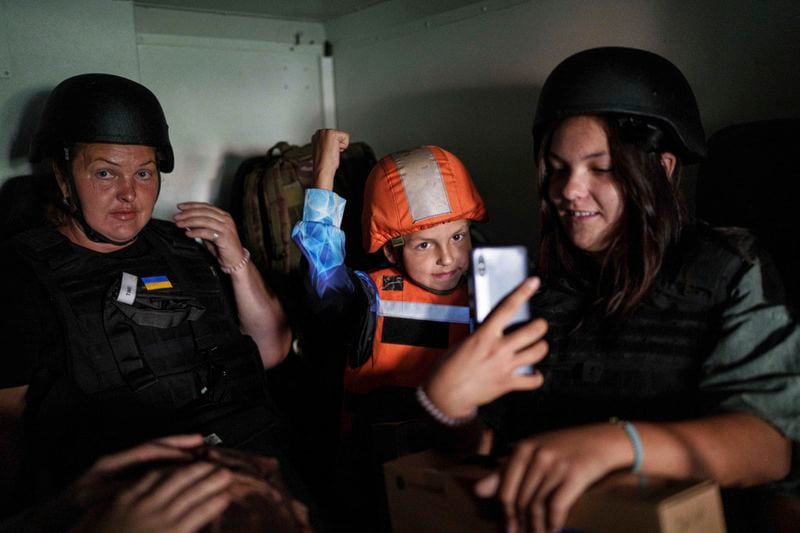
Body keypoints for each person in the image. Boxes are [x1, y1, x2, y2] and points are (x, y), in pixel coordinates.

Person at [419, 47, 800, 533]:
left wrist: (616, 446)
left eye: (600, 168)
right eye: (557, 168)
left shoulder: (726, 270)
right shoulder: (533, 293)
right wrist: (449, 411)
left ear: (661, 170)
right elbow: (490, 454)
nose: (569, 190)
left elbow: (769, 446)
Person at [0, 73, 293, 515]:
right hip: (141, 505)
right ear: (63, 176)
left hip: (251, 470)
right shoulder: (19, 274)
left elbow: (271, 350)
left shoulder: (185, 247)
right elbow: (8, 436)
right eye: (104, 173)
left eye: (144, 173)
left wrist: (236, 258)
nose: (129, 194)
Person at [290, 129, 488, 530]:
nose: (447, 258)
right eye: (423, 245)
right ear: (391, 250)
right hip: (374, 468)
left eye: (457, 236)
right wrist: (325, 170)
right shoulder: (368, 294)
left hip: (460, 459)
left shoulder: (490, 292)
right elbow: (321, 270)